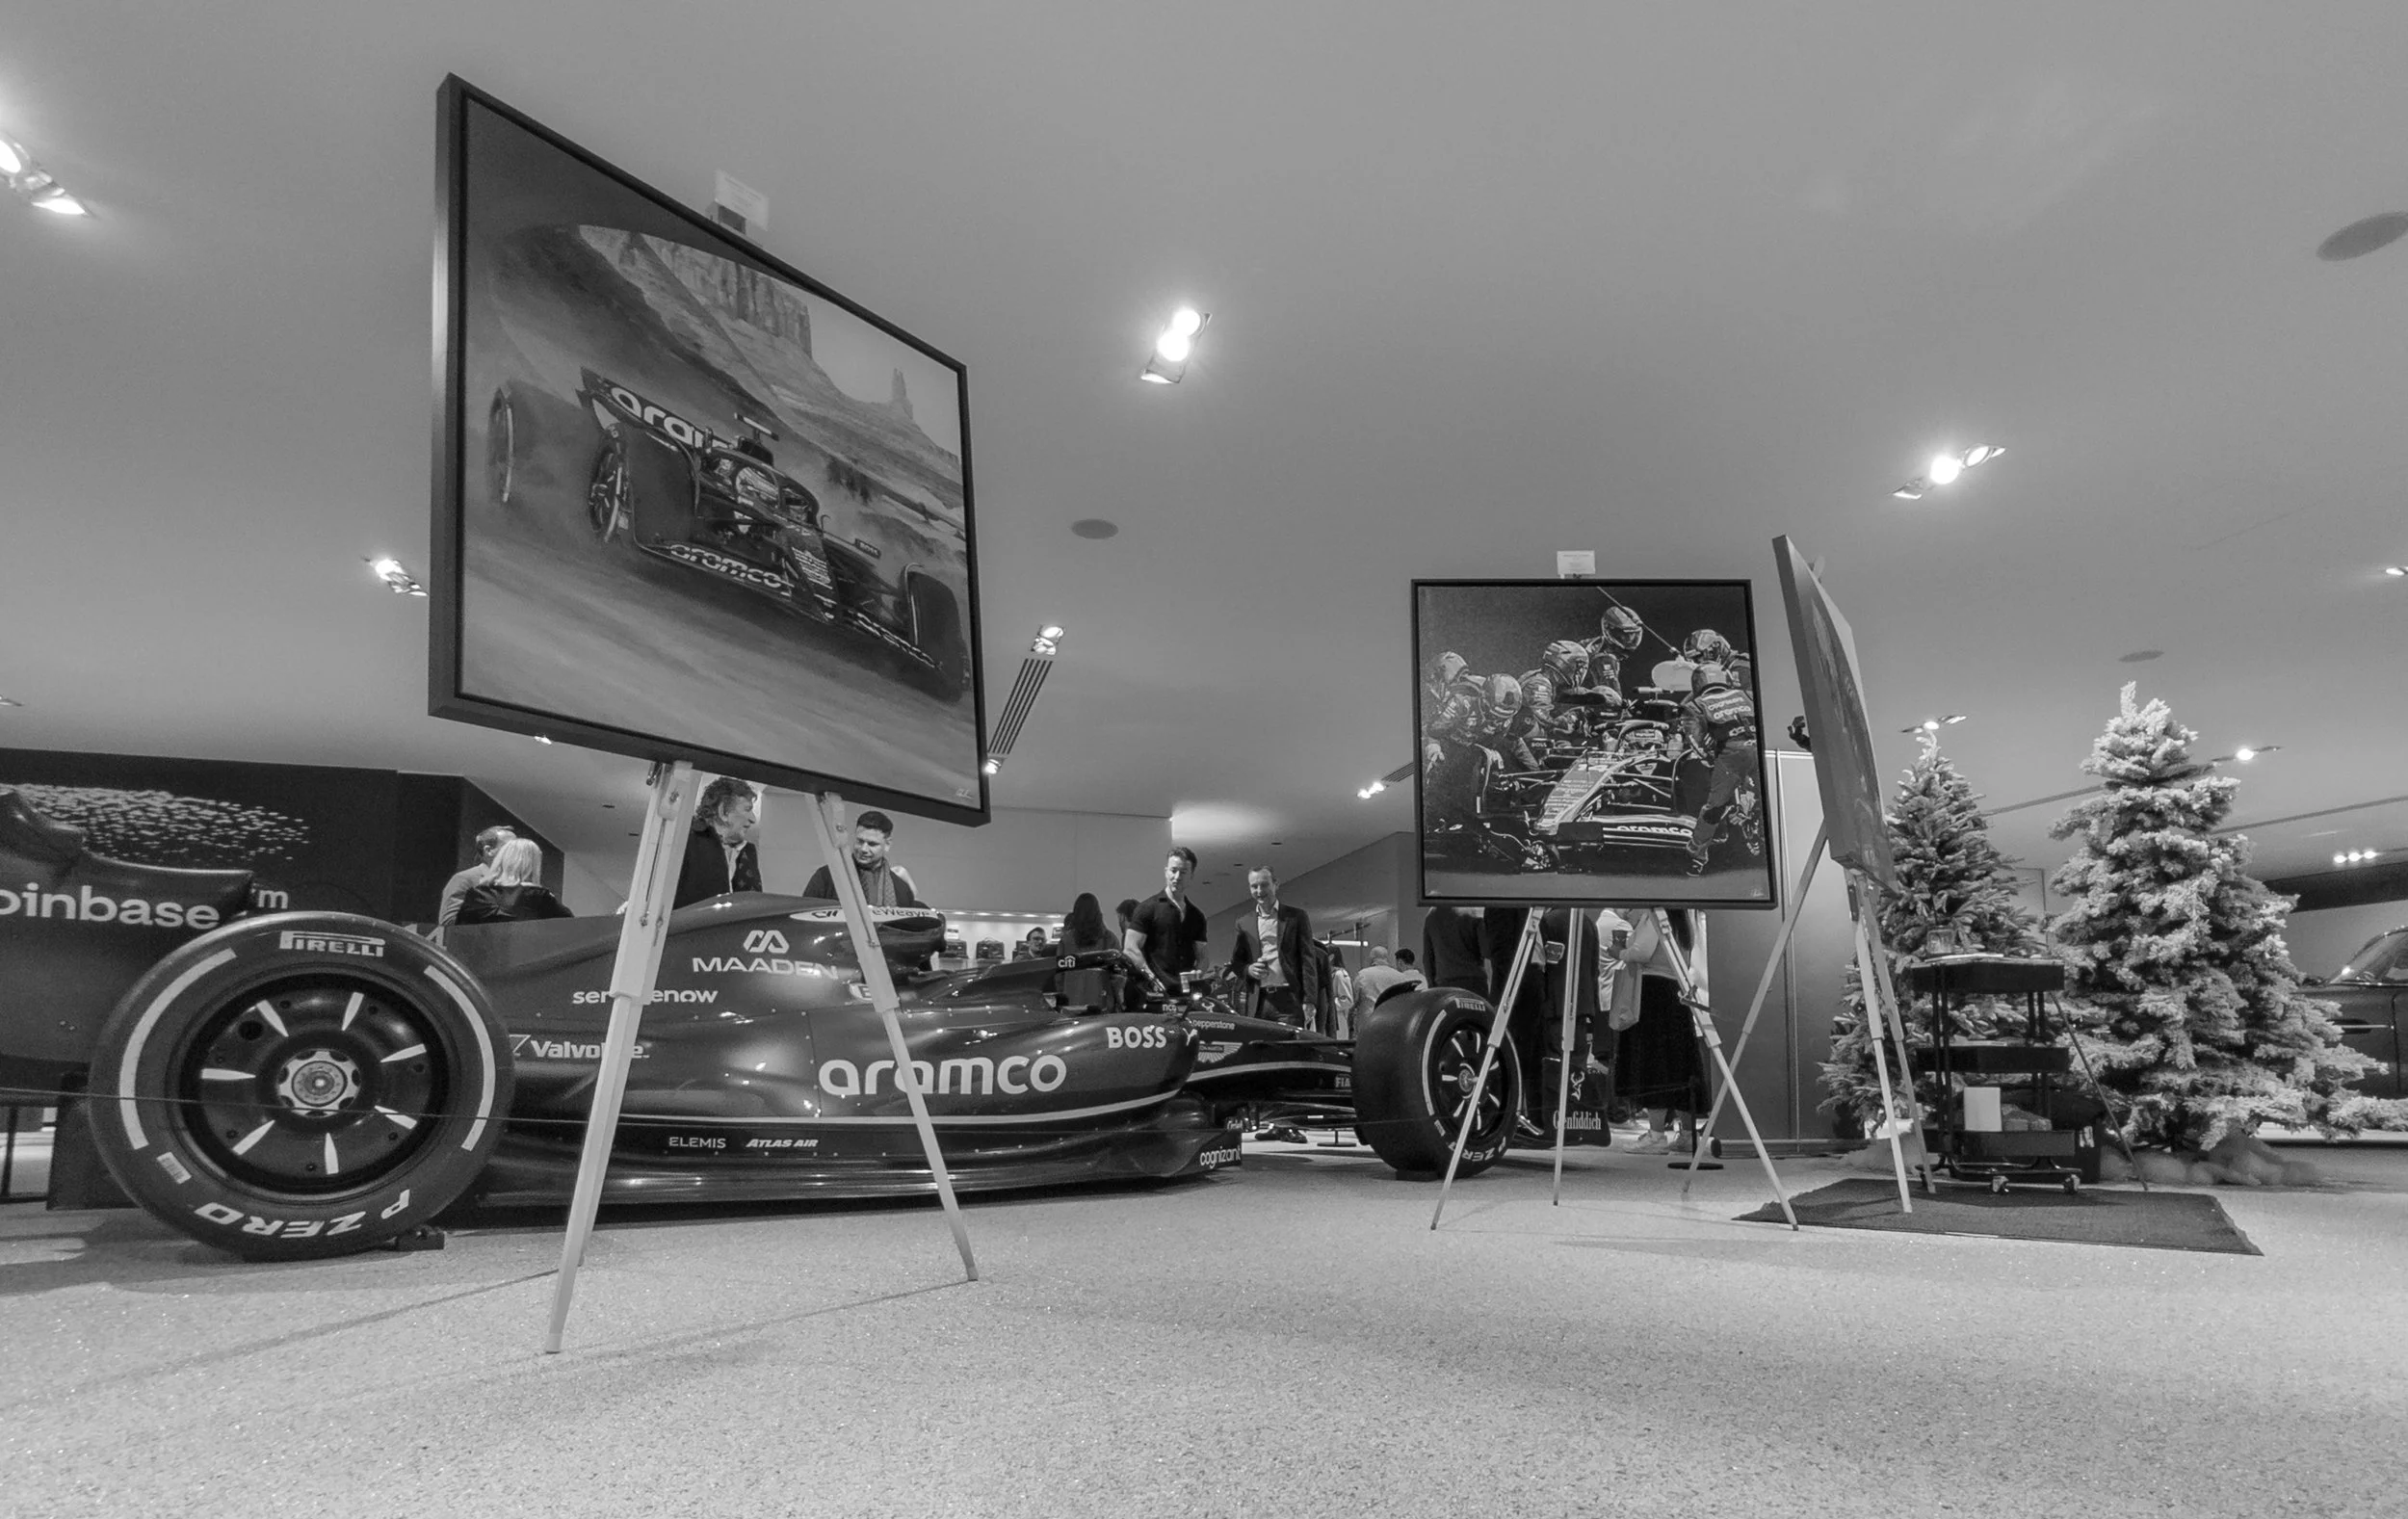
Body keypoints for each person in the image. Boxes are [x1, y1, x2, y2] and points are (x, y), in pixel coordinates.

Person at [1612, 910, 1709, 1155]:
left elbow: (1642, 951)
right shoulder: (1684, 921)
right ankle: (1688, 1134)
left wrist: (1620, 952)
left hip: (1653, 992)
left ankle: (1656, 1135)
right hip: (1677, 991)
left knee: (1654, 1063)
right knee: (1681, 1064)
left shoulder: (1655, 914)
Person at [1681, 664, 1761, 877]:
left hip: (1731, 755)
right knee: (1772, 795)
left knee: (1713, 809)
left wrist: (1710, 759)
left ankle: (1695, 857)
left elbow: (1697, 742)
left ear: (1697, 683)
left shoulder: (1695, 705)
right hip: (1759, 748)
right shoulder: (1746, 694)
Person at [1226, 866, 1317, 1025]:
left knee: (1289, 1041)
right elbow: (1237, 963)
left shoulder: (1296, 917)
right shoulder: (1243, 923)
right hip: (1258, 1001)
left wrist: (1310, 1000)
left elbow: (1307, 959)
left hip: (1289, 999)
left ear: (1276, 884)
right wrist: (1249, 970)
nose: (1259, 891)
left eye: (1264, 885)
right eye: (1254, 886)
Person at [802, 808, 924, 907]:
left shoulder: (901, 888)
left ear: (887, 844)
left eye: (872, 844)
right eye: (860, 841)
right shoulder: (827, 877)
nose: (863, 849)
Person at [1126, 847, 1208, 989]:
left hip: (1185, 991)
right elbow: (1130, 948)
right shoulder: (1147, 908)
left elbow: (1203, 956)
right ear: (1166, 872)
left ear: (1191, 876)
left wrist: (1198, 973)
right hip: (1153, 992)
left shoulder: (1196, 916)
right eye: (1173, 870)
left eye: (1183, 872)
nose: (1177, 877)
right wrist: (1151, 979)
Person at [675, 777, 764, 909]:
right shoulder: (686, 842)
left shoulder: (747, 851)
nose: (753, 819)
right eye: (747, 809)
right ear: (723, 812)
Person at [455, 838, 573, 924]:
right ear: (532, 865)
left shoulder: (476, 894)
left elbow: (459, 931)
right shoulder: (540, 896)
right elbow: (571, 927)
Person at [437, 825, 514, 927]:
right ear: (489, 851)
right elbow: (449, 924)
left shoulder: (519, 883)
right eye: (511, 847)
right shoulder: (464, 879)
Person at [1422, 905, 1488, 995]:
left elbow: (1428, 958)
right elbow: (1486, 951)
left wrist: (1432, 987)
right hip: (1474, 982)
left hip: (1444, 983)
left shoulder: (1432, 914)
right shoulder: (1474, 910)